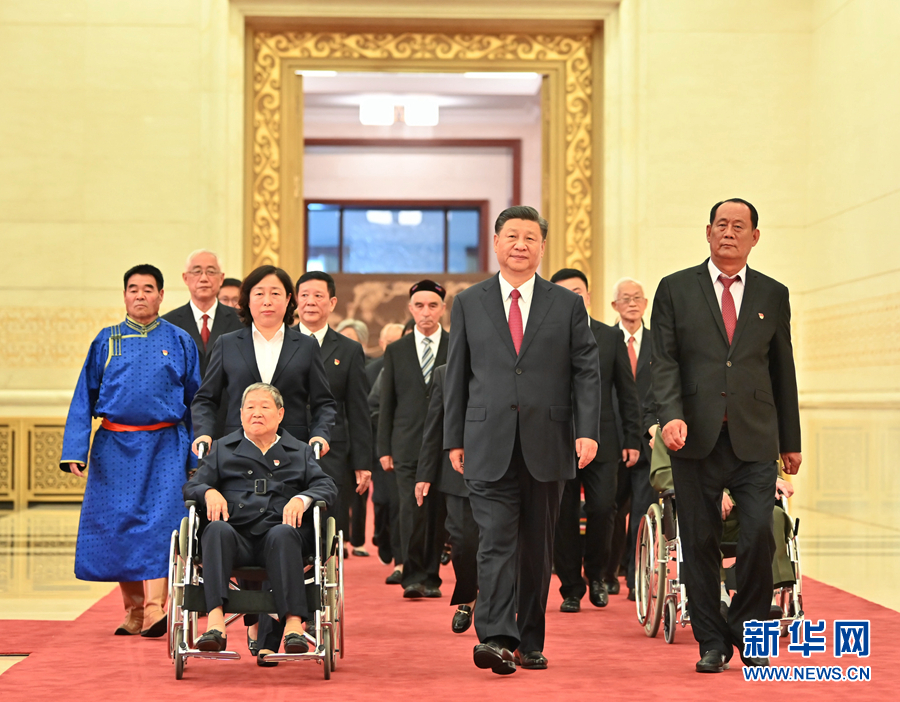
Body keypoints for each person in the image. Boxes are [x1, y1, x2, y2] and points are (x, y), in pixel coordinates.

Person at [444, 206, 600, 674]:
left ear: (542, 247)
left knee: (536, 548)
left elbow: (586, 371)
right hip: (486, 439)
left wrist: (587, 431)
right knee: (494, 541)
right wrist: (454, 438)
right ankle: (495, 637)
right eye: (511, 235)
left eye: (530, 237)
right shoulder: (469, 302)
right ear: (495, 242)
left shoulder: (566, 304)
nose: (520, 245)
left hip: (548, 441)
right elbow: (457, 375)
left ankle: (530, 641)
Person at [651, 198, 802, 673]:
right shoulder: (675, 288)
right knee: (699, 542)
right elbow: (664, 362)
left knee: (758, 533)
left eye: (739, 226)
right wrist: (670, 415)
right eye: (721, 224)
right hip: (694, 439)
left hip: (754, 439)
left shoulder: (773, 294)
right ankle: (712, 643)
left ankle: (747, 628)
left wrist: (790, 440)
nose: (729, 232)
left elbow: (782, 369)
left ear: (755, 237)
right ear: (708, 232)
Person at [60, 264, 200, 637]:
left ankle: (155, 609)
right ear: (124, 295)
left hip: (166, 447)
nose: (140, 295)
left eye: (148, 289)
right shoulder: (106, 340)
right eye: (133, 288)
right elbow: (83, 396)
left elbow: (197, 401)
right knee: (119, 526)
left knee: (161, 526)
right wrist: (76, 449)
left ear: (161, 295)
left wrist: (196, 456)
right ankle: (134, 610)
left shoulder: (180, 340)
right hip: (114, 449)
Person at [183, 383, 337, 659]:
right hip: (236, 537)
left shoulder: (299, 451)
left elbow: (326, 486)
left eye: (265, 407)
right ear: (240, 414)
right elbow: (192, 486)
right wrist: (208, 492)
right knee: (215, 530)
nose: (257, 413)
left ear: (280, 414)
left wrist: (303, 498)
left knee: (283, 533)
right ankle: (215, 624)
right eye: (250, 407)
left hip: (280, 538)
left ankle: (293, 626)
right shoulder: (222, 449)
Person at [548, 268, 642, 614]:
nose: (571, 298)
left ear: (587, 296)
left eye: (577, 292)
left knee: (604, 508)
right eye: (563, 293)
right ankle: (571, 586)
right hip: (557, 440)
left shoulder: (609, 336)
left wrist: (632, 437)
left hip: (603, 439)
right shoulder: (544, 336)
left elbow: (627, 392)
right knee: (563, 515)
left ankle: (598, 575)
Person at [378, 280, 450, 598]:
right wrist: (384, 447)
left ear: (443, 309)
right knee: (411, 509)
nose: (426, 312)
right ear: (410, 309)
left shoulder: (456, 345)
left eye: (432, 306)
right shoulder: (397, 350)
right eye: (419, 306)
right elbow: (387, 402)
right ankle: (412, 575)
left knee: (437, 511)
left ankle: (432, 576)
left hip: (445, 443)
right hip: (406, 443)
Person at [293, 272, 372, 554]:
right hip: (287, 447)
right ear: (296, 301)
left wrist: (362, 462)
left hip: (333, 452)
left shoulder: (349, 350)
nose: (310, 302)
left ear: (332, 302)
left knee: (328, 527)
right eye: (304, 295)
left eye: (318, 296)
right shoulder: (280, 341)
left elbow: (358, 409)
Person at [603, 276, 655, 600]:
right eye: (626, 298)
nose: (632, 303)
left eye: (637, 298)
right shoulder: (605, 341)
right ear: (614, 305)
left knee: (641, 514)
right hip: (614, 442)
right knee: (610, 511)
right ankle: (606, 573)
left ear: (645, 304)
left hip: (649, 444)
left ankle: (637, 580)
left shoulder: (658, 342)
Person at [416, 364, 478, 633]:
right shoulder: (444, 373)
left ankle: (496, 601)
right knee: (461, 541)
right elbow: (434, 426)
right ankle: (468, 596)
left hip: (502, 469)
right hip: (457, 471)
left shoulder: (507, 364)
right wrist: (424, 474)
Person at [162, 250, 243, 377]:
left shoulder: (241, 320)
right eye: (197, 272)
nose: (204, 278)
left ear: (221, 278)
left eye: (211, 272)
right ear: (185, 278)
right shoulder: (168, 324)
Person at [366, 323, 405, 576]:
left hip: (408, 448)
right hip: (379, 446)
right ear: (381, 343)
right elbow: (368, 408)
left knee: (399, 504)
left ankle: (402, 559)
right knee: (382, 501)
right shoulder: (371, 370)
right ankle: (382, 536)